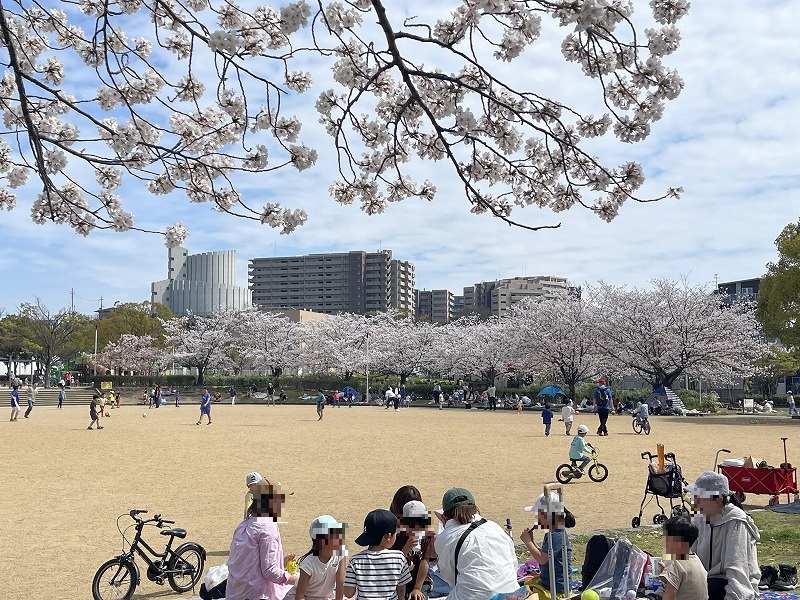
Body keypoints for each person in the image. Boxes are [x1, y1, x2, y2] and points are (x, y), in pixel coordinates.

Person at [433, 488, 519, 600]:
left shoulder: (445, 537)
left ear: (444, 517)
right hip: (511, 593)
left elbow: (449, 578)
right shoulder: (494, 526)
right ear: (475, 508)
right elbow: (513, 563)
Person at [687, 471, 760, 600]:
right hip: (706, 580)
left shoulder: (736, 522)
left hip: (728, 585)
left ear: (718, 500)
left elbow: (737, 569)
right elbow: (687, 556)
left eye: (700, 497)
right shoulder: (699, 518)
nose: (695, 502)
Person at [226, 481, 298, 600]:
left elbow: (248, 565)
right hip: (257, 595)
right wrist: (301, 581)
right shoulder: (267, 528)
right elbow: (270, 572)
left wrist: (281, 563)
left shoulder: (243, 525)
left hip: (236, 594)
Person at [344, 509, 412, 600]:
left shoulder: (355, 560)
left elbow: (348, 593)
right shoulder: (399, 558)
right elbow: (401, 590)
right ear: (388, 536)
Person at [519, 492, 574, 597]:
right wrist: (532, 541)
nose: (537, 517)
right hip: (550, 584)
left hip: (556, 589)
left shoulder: (556, 534)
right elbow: (547, 554)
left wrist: (528, 542)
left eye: (538, 514)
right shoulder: (553, 532)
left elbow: (542, 559)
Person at [288, 515, 347, 600]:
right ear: (319, 541)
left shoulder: (341, 553)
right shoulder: (308, 564)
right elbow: (299, 595)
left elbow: (340, 582)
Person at [659, 516, 708, 600]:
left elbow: (669, 596)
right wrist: (667, 574)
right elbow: (685, 585)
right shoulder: (696, 560)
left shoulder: (675, 563)